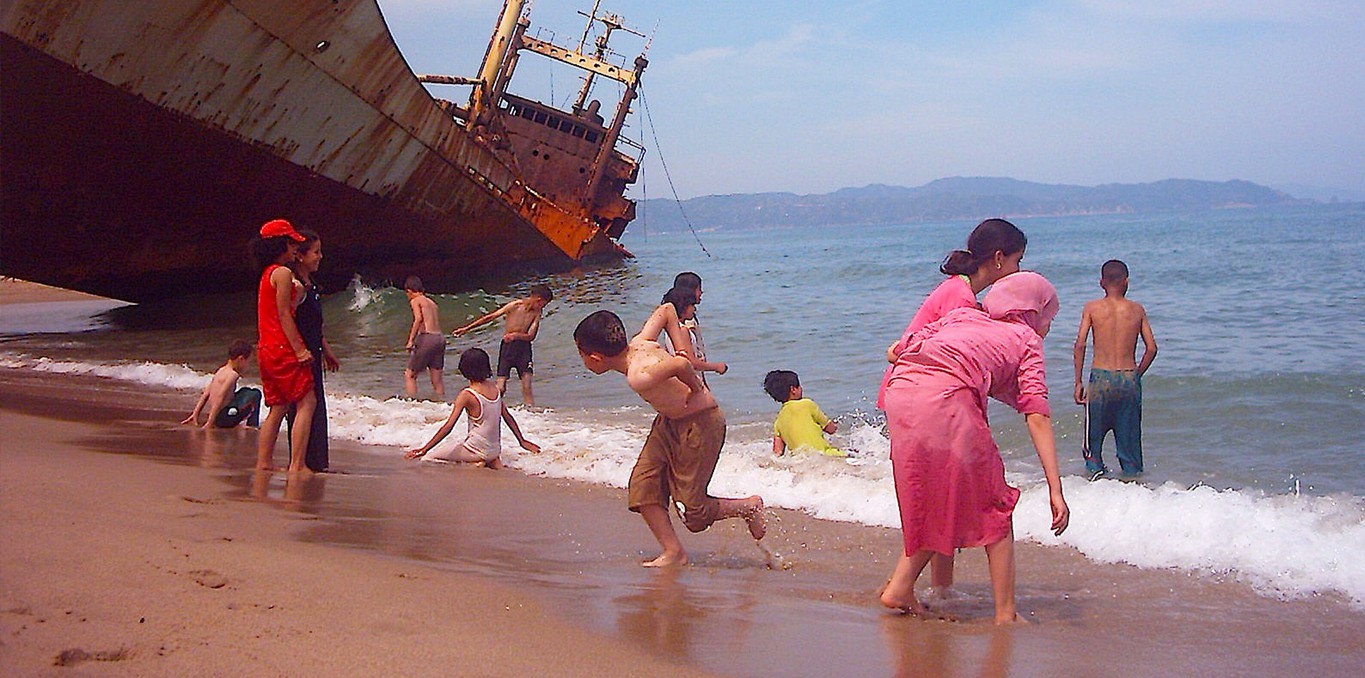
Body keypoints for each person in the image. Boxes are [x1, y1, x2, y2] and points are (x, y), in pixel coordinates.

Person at [879, 272, 1069, 624]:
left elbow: (895, 350)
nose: (1048, 327)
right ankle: (1005, 613)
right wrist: (1055, 489)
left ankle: (902, 588)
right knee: (997, 504)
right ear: (1033, 311)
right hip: (945, 400)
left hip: (901, 394)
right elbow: (1036, 413)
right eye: (1049, 318)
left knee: (938, 497)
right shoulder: (1026, 339)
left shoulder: (961, 316)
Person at [878, 217, 1029, 593]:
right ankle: (906, 586)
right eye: (1017, 262)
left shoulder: (959, 291)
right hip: (927, 400)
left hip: (910, 397)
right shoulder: (961, 298)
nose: (1018, 271)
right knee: (943, 493)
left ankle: (939, 589)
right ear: (997, 259)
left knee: (939, 491)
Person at [574, 309, 766, 567]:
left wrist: (696, 386)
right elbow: (666, 311)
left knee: (693, 514)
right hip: (668, 422)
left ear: (595, 358)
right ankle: (674, 552)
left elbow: (680, 364)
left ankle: (749, 506)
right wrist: (682, 347)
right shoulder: (641, 342)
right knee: (643, 485)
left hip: (701, 425)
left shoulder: (638, 376)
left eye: (581, 354)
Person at [1073, 259, 1158, 478]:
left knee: (1093, 447)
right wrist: (1136, 373)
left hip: (1100, 379)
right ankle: (1132, 492)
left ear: (1102, 282)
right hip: (1128, 379)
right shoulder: (1137, 310)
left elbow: (1080, 343)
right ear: (1126, 281)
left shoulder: (1091, 308)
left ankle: (1096, 488)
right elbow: (1152, 349)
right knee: (1129, 449)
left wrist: (1078, 382)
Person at [250, 218, 316, 473]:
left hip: (265, 347)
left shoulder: (267, 274)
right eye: (291, 244)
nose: (294, 249)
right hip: (282, 346)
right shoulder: (283, 273)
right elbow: (284, 314)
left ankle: (264, 462)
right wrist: (299, 349)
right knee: (306, 402)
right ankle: (297, 464)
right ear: (281, 245)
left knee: (277, 407)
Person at [405, 348, 540, 468]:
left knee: (429, 458)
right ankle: (489, 460)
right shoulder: (495, 388)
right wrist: (521, 441)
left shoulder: (467, 394)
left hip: (475, 450)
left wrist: (425, 449)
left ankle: (475, 462)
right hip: (495, 450)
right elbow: (508, 417)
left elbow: (448, 427)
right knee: (466, 447)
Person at [287, 230, 340, 472]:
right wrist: (298, 351)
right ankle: (303, 462)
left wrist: (326, 350)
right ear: (299, 255)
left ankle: (316, 461)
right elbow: (286, 321)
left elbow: (315, 326)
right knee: (303, 407)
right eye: (316, 252)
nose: (320, 256)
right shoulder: (296, 287)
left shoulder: (311, 285)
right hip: (301, 357)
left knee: (316, 406)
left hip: (313, 353)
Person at [452, 284, 551, 406]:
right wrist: (466, 329)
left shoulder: (537, 312)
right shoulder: (515, 306)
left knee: (527, 386)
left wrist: (516, 335)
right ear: (538, 300)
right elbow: (490, 317)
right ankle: (491, 407)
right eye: (544, 304)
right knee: (501, 387)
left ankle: (533, 415)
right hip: (508, 348)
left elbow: (531, 336)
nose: (543, 307)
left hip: (524, 348)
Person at [641, 286, 727, 375]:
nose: (695, 309)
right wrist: (717, 367)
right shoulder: (682, 330)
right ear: (683, 306)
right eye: (692, 305)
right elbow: (691, 362)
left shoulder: (669, 330)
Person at [182, 339, 262, 429]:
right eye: (249, 362)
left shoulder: (221, 370)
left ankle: (240, 421)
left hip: (217, 416)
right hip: (224, 419)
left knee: (245, 391)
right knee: (256, 393)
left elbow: (206, 393)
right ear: (241, 359)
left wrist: (195, 414)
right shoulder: (233, 375)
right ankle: (252, 425)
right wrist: (210, 423)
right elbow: (221, 396)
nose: (248, 366)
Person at [763, 370, 843, 457]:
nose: (801, 388)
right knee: (854, 453)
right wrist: (835, 425)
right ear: (793, 389)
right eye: (799, 386)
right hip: (823, 456)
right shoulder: (807, 404)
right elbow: (831, 429)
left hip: (801, 461)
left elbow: (777, 454)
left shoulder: (778, 421)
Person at [404, 275, 446, 398]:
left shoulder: (415, 300)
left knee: (410, 375)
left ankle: (412, 404)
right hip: (440, 338)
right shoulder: (432, 303)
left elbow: (418, 319)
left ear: (409, 291)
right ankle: (441, 406)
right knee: (437, 380)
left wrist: (411, 340)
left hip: (427, 338)